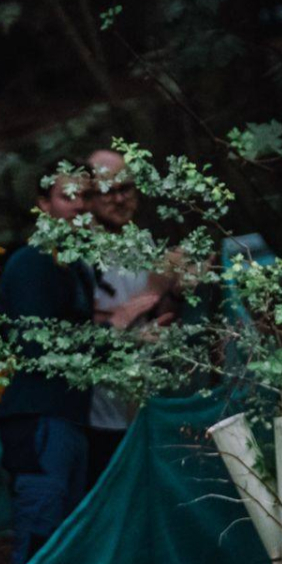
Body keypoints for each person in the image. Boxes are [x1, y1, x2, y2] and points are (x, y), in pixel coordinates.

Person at [0, 163, 96, 564]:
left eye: (86, 196)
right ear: (42, 205)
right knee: (38, 544)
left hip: (68, 420)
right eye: (67, 197)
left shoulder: (72, 266)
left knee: (66, 542)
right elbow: (38, 346)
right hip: (39, 424)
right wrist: (118, 330)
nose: (79, 206)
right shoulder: (30, 264)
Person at [82, 149, 176, 486]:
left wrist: (175, 290)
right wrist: (149, 295)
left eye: (127, 189)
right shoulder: (77, 252)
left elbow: (159, 311)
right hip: (101, 414)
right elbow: (82, 324)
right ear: (88, 195)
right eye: (110, 191)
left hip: (150, 400)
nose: (120, 199)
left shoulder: (143, 243)